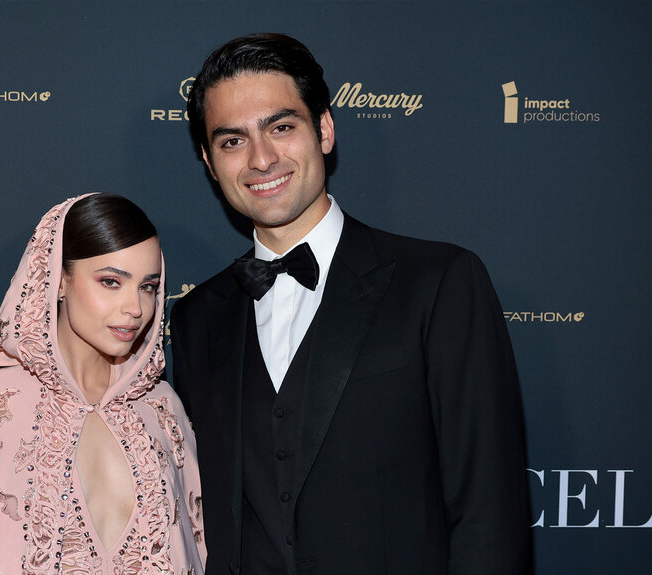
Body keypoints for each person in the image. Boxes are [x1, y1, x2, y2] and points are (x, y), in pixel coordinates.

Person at [170, 34, 530, 574]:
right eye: (231, 141)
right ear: (209, 160)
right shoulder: (198, 317)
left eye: (282, 127)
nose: (261, 158)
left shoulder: (439, 283)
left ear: (325, 129)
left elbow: (490, 512)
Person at [0, 194, 206, 575]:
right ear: (58, 280)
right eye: (111, 281)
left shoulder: (162, 408)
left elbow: (198, 550)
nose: (135, 308)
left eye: (148, 286)